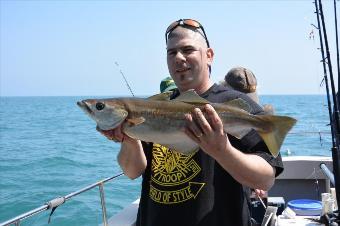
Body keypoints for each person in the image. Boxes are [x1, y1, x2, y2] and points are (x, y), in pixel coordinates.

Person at [99, 19, 283, 226]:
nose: (178, 58)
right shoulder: (156, 106)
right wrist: (128, 137)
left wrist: (222, 150)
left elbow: (266, 179)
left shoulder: (235, 105)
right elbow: (133, 171)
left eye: (188, 50)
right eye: (171, 52)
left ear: (209, 56)